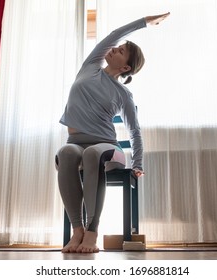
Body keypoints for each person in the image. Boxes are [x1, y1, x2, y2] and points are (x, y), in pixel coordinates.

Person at [55, 12, 170, 253]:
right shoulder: (90, 67)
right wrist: (145, 22)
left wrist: (137, 163)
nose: (115, 49)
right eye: (117, 48)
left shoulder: (123, 94)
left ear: (126, 67)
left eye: (121, 51)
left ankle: (92, 231)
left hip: (107, 147)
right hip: (75, 141)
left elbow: (134, 131)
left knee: (92, 155)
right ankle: (77, 230)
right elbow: (114, 35)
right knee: (66, 153)